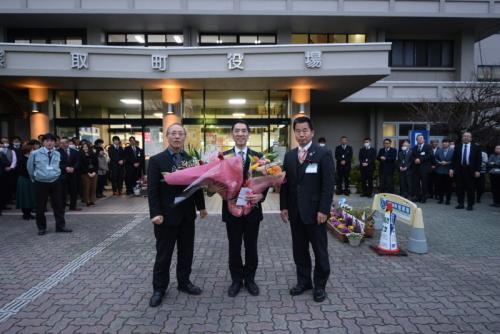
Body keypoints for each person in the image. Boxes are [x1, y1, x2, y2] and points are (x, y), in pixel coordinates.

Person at [147, 123, 207, 307]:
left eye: (180, 134)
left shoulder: (191, 159)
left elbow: (196, 186)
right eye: (173, 133)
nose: (177, 137)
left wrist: (201, 207)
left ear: (184, 137)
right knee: (164, 254)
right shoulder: (157, 160)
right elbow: (152, 190)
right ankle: (159, 288)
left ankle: (184, 282)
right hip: (165, 217)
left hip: (187, 216)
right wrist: (155, 213)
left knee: (186, 253)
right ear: (167, 136)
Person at [280, 116, 334, 303]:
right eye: (298, 131)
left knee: (320, 251)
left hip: (315, 213)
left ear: (312, 132)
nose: (301, 134)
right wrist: (284, 207)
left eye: (305, 130)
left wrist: (324, 210)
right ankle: (304, 282)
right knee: (299, 250)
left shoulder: (323, 153)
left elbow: (328, 185)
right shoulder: (289, 155)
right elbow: (285, 185)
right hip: (295, 213)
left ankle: (320, 286)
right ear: (294, 133)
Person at [222, 121, 268, 298]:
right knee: (234, 247)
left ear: (248, 134)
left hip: (252, 211)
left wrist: (261, 196)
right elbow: (214, 185)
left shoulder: (259, 157)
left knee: (251, 247)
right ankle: (236, 280)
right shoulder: (223, 157)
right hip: (231, 211)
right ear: (232, 134)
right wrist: (215, 190)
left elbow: (267, 183)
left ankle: (250, 280)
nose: (240, 134)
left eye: (243, 131)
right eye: (237, 131)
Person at [27, 133, 72, 235]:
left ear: (55, 142)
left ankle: (60, 226)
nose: (49, 143)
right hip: (41, 182)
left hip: (55, 181)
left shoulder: (57, 153)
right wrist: (34, 178)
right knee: (40, 206)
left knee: (59, 205)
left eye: (52, 141)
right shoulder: (35, 153)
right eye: (47, 141)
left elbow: (58, 166)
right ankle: (41, 228)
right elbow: (30, 168)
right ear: (43, 142)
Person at [449, 132, 482, 211]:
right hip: (459, 170)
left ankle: (470, 205)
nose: (466, 137)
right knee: (459, 188)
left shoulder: (476, 147)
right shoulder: (458, 147)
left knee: (470, 188)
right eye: (464, 136)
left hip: (470, 170)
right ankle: (460, 203)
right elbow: (454, 159)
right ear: (462, 138)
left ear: (471, 138)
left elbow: (479, 160)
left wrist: (478, 170)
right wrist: (451, 169)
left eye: (468, 136)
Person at [58, 137, 81, 211]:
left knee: (73, 191)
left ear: (68, 143)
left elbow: (78, 162)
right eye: (61, 143)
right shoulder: (57, 152)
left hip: (73, 174)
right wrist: (66, 168)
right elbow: (57, 163)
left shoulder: (75, 151)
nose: (62, 144)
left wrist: (73, 168)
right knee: (63, 192)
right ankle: (62, 207)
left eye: (64, 142)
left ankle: (73, 206)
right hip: (63, 174)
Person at [16, 143, 37, 220]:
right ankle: (25, 214)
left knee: (31, 197)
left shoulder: (32, 158)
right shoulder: (21, 159)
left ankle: (29, 213)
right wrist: (31, 176)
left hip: (31, 179)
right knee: (25, 197)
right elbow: (21, 170)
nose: (33, 151)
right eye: (32, 149)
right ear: (28, 150)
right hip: (24, 179)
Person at [411, 134, 432, 203]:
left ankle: (424, 197)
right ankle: (417, 196)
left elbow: (429, 155)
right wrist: (415, 159)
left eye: (421, 138)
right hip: (416, 169)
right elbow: (412, 156)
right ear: (416, 140)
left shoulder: (428, 147)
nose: (420, 140)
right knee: (416, 184)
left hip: (424, 169)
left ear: (424, 139)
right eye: (418, 139)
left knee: (424, 183)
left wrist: (420, 159)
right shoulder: (414, 148)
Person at [434, 139, 454, 205]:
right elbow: (435, 159)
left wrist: (447, 163)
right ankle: (441, 199)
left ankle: (448, 200)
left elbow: (455, 160)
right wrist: (439, 162)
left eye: (446, 142)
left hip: (448, 171)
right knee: (440, 186)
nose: (444, 143)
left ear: (448, 143)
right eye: (443, 142)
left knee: (448, 186)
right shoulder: (439, 150)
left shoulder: (452, 151)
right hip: (440, 170)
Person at [1, 136, 18, 209]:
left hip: (10, 171)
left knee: (8, 187)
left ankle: (7, 202)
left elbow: (14, 160)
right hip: (1, 171)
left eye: (6, 142)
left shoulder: (12, 151)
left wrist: (11, 167)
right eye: (3, 142)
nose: (5, 143)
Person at [80, 142, 98, 207]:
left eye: (86, 147)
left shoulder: (93, 154)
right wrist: (88, 173)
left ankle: (92, 200)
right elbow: (81, 165)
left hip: (94, 173)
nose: (85, 148)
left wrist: (94, 172)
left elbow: (96, 164)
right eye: (84, 147)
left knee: (93, 187)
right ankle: (87, 201)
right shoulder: (80, 155)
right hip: (85, 174)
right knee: (86, 188)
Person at [0, 150, 10, 215]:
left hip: (1, 175)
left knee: (2, 192)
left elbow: (7, 163)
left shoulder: (1, 154)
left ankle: (2, 207)